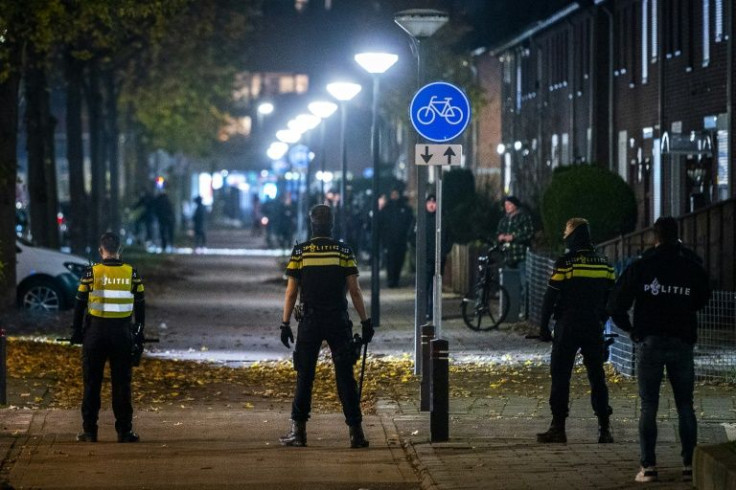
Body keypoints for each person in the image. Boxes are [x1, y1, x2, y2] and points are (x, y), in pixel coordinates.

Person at [606, 217, 710, 483]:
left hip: (649, 341)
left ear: (655, 237)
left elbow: (616, 302)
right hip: (682, 340)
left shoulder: (643, 265)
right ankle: (689, 466)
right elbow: (704, 296)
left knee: (648, 405)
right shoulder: (690, 265)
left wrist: (631, 330)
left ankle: (649, 467)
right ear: (677, 236)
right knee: (685, 405)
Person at [278, 204, 374, 448]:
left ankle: (298, 432)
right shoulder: (343, 251)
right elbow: (355, 290)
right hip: (337, 320)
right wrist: (365, 321)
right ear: (332, 224)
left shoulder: (301, 252)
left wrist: (285, 323)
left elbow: (291, 292)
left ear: (312, 224)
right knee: (345, 377)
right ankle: (356, 433)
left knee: (305, 375)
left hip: (309, 321)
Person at [536, 218, 616, 444]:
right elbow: (611, 297)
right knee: (597, 376)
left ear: (572, 235)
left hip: (568, 325)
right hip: (593, 326)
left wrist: (543, 327)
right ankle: (604, 428)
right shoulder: (604, 263)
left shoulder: (566, 263)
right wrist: (602, 318)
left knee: (561, 375)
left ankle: (558, 428)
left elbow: (550, 296)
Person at [71, 232, 145, 443]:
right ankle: (124, 431)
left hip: (95, 334)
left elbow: (79, 304)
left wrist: (76, 332)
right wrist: (139, 333)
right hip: (122, 334)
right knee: (122, 383)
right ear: (120, 250)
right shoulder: (132, 274)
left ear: (100, 250)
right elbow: (140, 306)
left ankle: (90, 431)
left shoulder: (91, 273)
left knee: (92, 383)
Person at [496, 195, 534, 317]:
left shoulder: (523, 218)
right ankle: (511, 310)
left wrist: (513, 237)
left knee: (524, 284)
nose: (506, 207)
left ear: (515, 205)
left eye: (509, 205)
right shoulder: (504, 220)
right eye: (505, 205)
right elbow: (498, 233)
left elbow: (529, 233)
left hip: (520, 256)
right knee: (508, 285)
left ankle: (524, 309)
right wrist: (500, 237)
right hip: (508, 257)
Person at [378, 182, 414, 288]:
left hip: (401, 240)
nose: (394, 196)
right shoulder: (387, 209)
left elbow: (409, 223)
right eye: (393, 194)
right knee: (390, 261)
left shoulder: (405, 209)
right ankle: (391, 280)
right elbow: (381, 225)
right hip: (389, 241)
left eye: (396, 194)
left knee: (399, 260)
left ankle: (396, 279)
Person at [423, 194, 452, 321]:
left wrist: (444, 251)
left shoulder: (443, 220)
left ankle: (433, 312)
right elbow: (411, 236)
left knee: (435, 286)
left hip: (438, 258)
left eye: (434, 202)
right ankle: (425, 312)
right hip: (424, 259)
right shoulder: (421, 219)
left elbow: (450, 237)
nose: (431, 204)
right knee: (424, 286)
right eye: (429, 202)